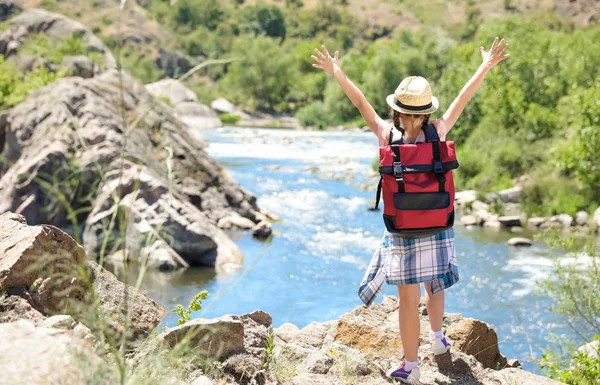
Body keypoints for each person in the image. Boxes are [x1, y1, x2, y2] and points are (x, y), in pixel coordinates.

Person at [311, 37, 510, 384]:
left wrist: (336, 71)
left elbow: (359, 101)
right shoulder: (439, 130)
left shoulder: (386, 134)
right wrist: (486, 65)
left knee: (407, 299)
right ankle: (437, 338)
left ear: (397, 111)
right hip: (437, 222)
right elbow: (465, 96)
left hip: (401, 227)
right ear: (428, 110)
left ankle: (410, 366)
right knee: (436, 282)